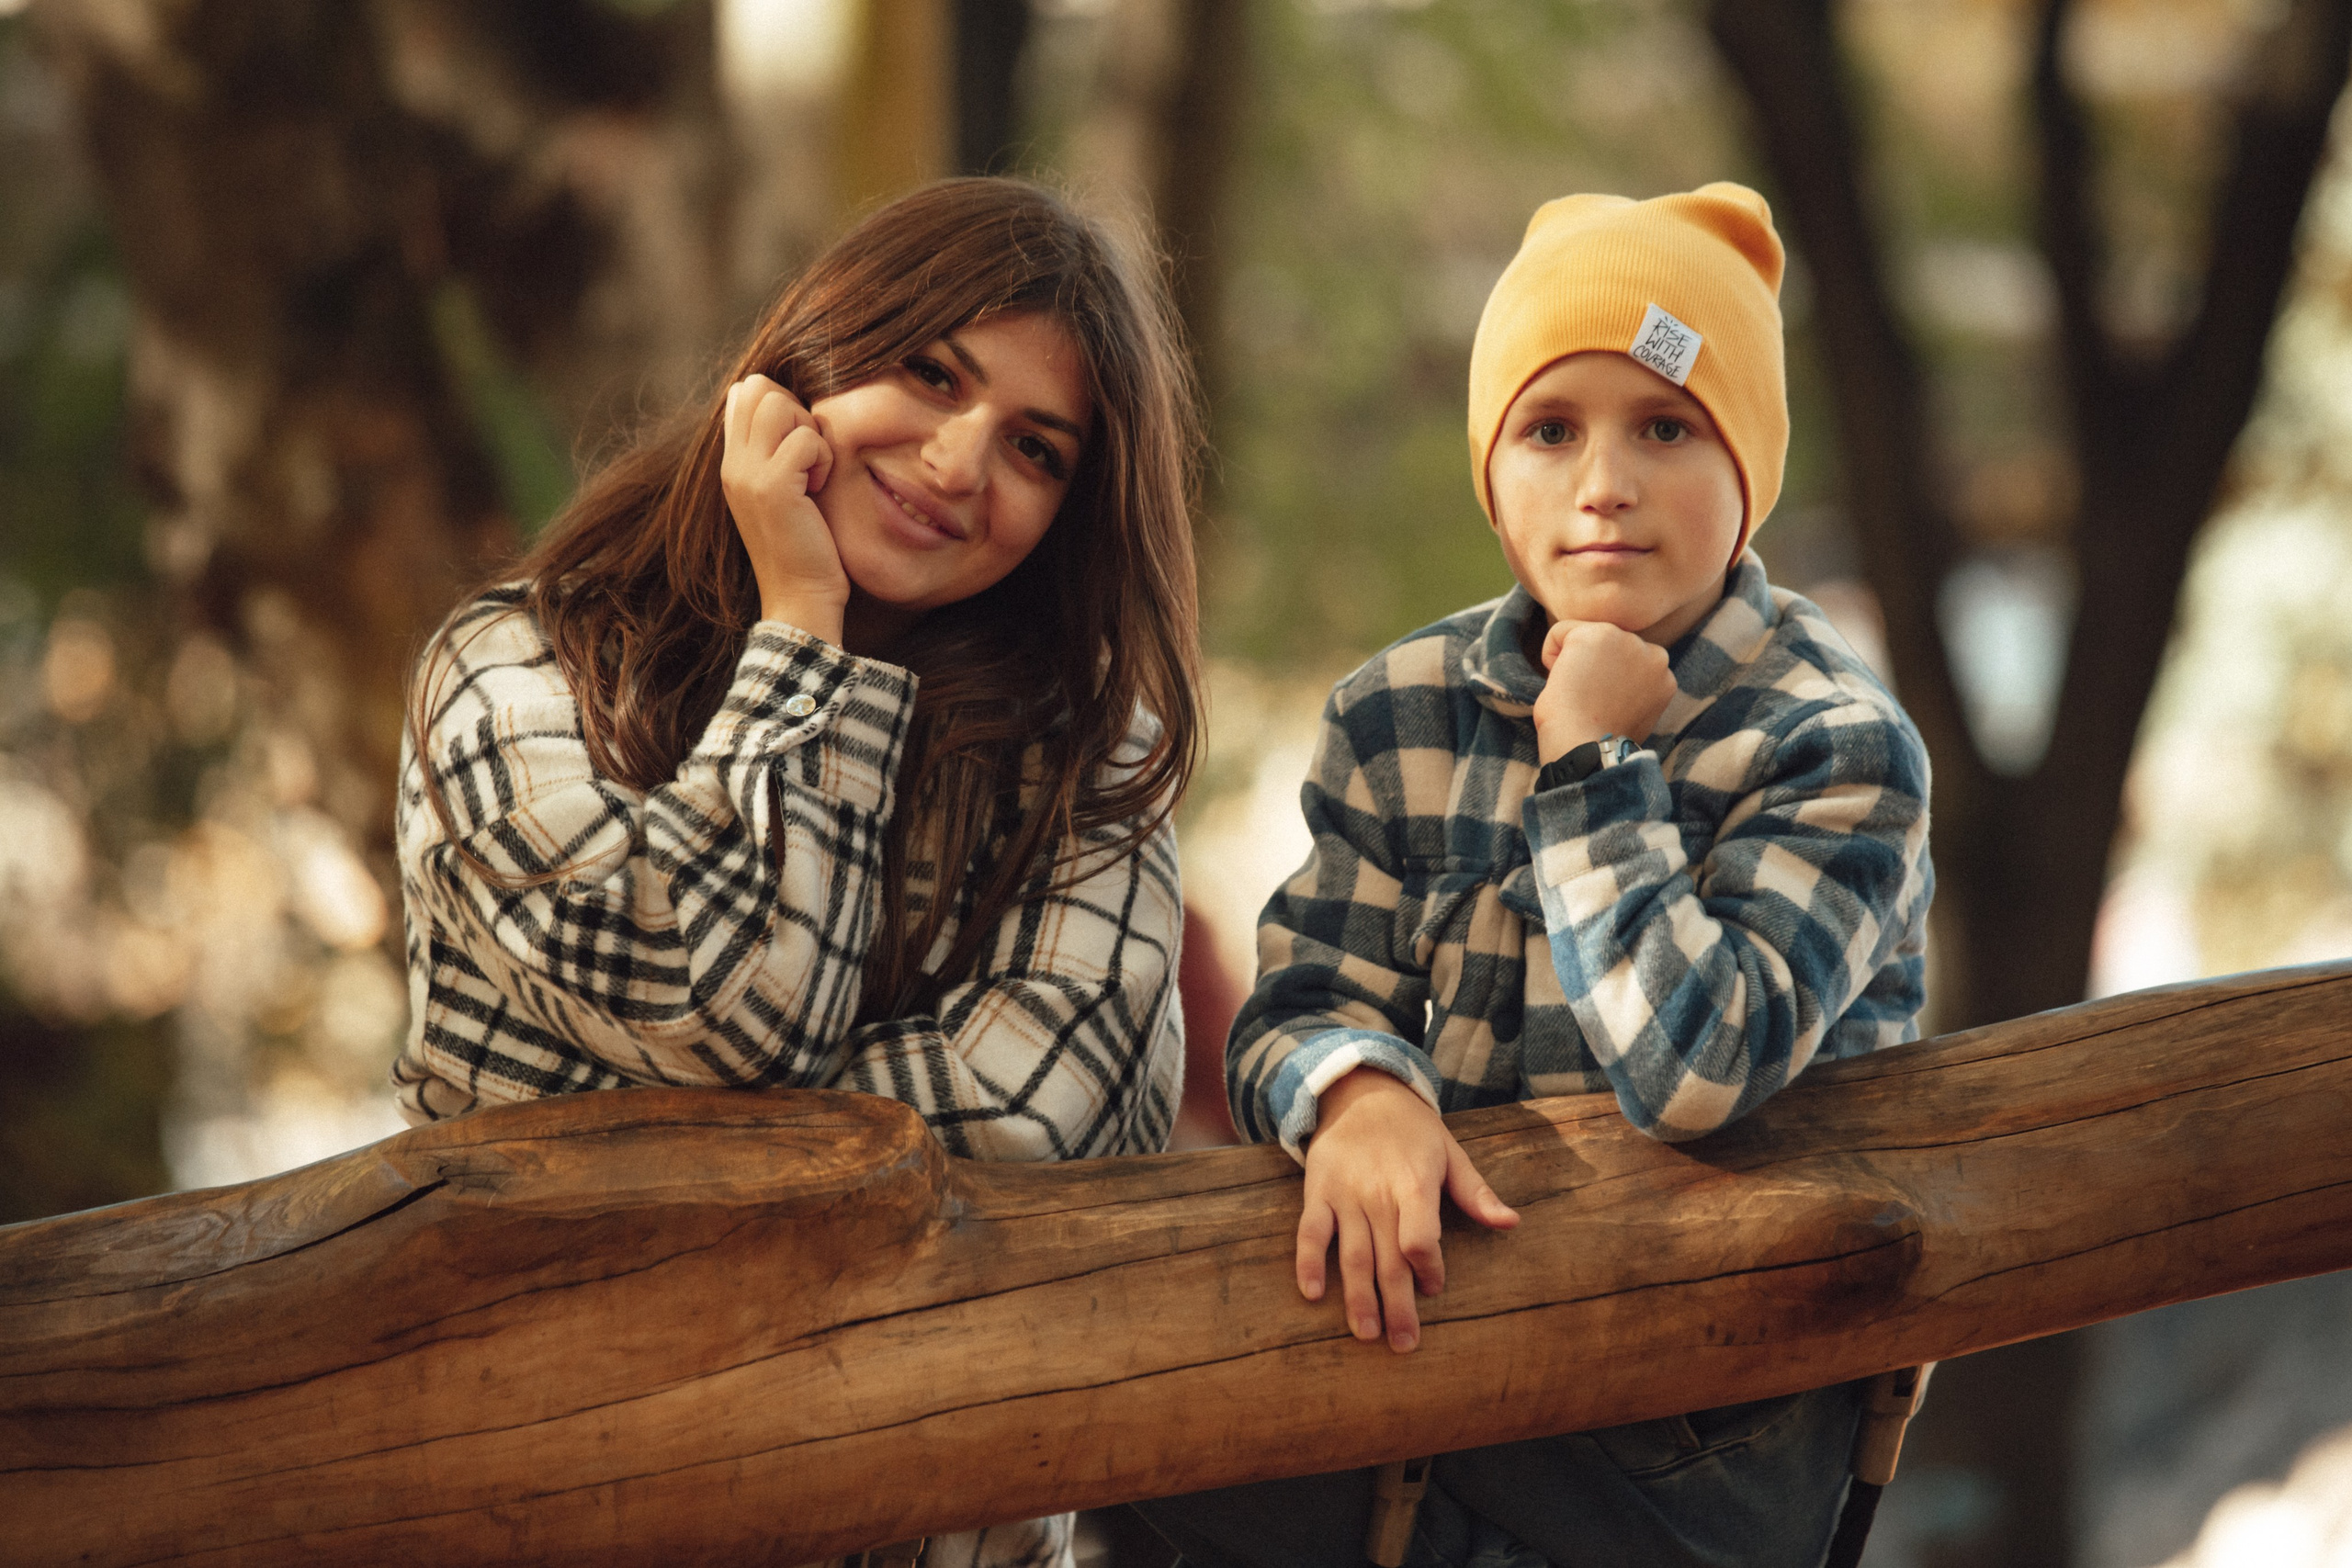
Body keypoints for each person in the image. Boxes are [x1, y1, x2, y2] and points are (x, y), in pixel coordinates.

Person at [392, 177, 1202, 1568]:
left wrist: (608, 1130)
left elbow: (1034, 1129)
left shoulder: (1090, 758)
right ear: (815, 352)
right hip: (549, 1496)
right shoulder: (514, 670)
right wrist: (806, 627)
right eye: (930, 372)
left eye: (1036, 448)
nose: (957, 462)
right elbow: (720, 1006)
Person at [1135, 185, 1933, 1568]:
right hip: (1442, 1350)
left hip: (1706, 1421)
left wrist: (1592, 770)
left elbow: (1698, 1068)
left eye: (1668, 427)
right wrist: (1359, 1091)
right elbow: (1298, 995)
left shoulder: (1837, 746)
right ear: (1490, 476)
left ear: (1751, 474)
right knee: (1130, 1468)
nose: (1604, 483)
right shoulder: (1397, 713)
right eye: (1550, 430)